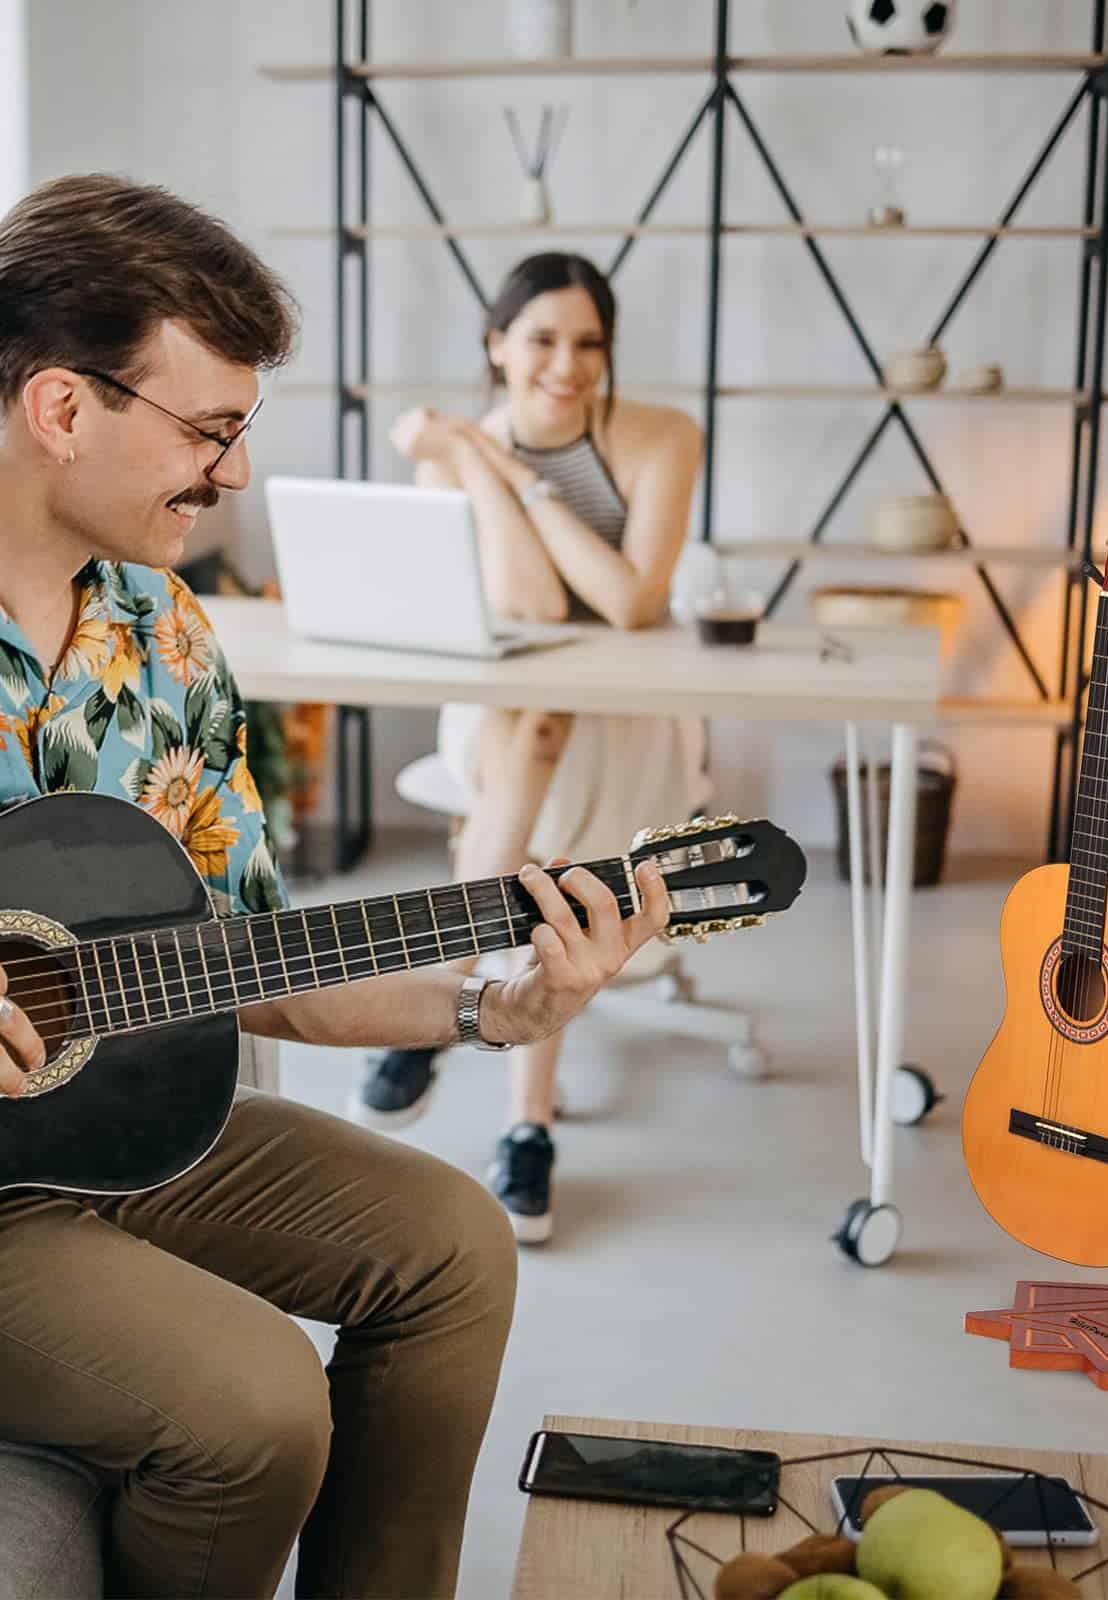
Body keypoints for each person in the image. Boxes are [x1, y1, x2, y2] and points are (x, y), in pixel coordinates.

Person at [0, 177, 669, 1600]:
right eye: (209, 429)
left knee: (457, 1246)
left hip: (103, 1122)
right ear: (61, 409)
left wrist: (495, 1003)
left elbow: (255, 953)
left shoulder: (164, 630)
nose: (233, 475)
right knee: (255, 1408)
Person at [351, 253, 707, 1245]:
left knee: (539, 740)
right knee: (532, 728)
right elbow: (531, 605)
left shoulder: (660, 437)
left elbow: (632, 603)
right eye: (542, 338)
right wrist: (469, 457)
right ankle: (526, 1127)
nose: (568, 363)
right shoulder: (451, 449)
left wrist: (507, 470)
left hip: (627, 724)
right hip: (506, 718)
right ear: (495, 343)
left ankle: (449, 988)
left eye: (589, 342)